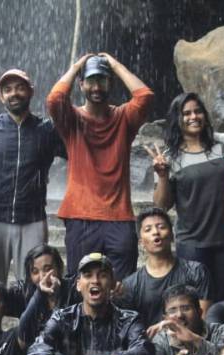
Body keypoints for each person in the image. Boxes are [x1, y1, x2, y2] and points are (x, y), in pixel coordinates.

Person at [47, 53, 154, 279]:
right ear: (81, 84)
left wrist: (115, 64)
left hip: (119, 216)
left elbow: (144, 97)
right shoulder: (71, 120)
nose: (96, 87)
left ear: (110, 83)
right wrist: (77, 65)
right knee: (81, 283)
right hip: (81, 216)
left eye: (102, 80)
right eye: (91, 81)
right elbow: (55, 99)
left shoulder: (124, 118)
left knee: (123, 284)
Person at [149, 92, 224, 302]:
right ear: (177, 119)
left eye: (197, 111)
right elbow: (161, 205)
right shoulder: (169, 157)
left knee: (222, 299)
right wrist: (162, 176)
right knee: (195, 301)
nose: (193, 117)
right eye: (186, 113)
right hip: (192, 242)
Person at [0, 68, 64, 282]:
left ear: (31, 91)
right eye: (8, 90)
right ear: (1, 96)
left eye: (20, 88)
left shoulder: (47, 130)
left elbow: (80, 155)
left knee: (33, 285)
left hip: (32, 220)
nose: (14, 93)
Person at [117, 207, 211, 327]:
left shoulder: (196, 271)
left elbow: (204, 320)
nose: (156, 232)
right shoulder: (131, 285)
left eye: (161, 227)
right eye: (148, 229)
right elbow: (130, 328)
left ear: (172, 235)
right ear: (140, 242)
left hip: (189, 337)